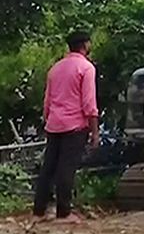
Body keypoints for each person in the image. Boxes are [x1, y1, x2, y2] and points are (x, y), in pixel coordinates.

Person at [33, 31, 99, 222]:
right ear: (85, 45)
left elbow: (47, 101)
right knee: (66, 169)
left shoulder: (55, 68)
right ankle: (64, 212)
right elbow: (89, 103)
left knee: (48, 168)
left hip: (54, 124)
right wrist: (95, 132)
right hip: (75, 126)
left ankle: (39, 211)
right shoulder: (86, 68)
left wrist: (49, 120)